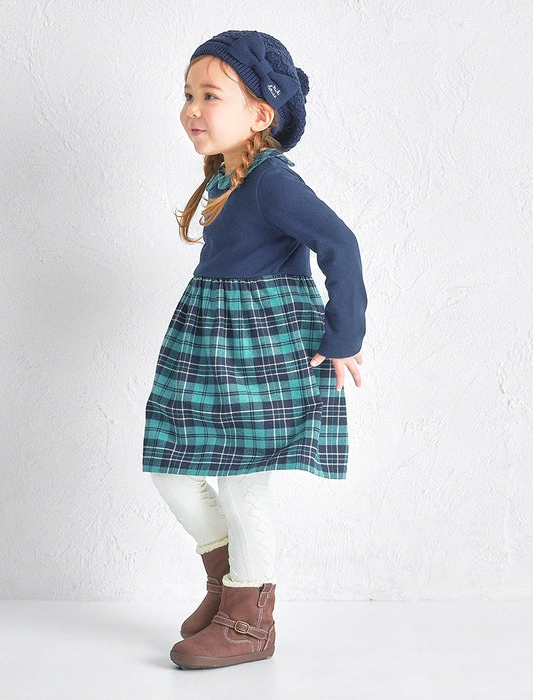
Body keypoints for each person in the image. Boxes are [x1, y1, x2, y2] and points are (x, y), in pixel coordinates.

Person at [142, 30, 367, 669]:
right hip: (211, 342)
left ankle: (248, 621)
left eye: (210, 95)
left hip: (260, 347)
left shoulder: (272, 183)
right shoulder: (226, 176)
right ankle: (226, 584)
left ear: (261, 114)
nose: (192, 109)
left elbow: (340, 244)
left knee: (243, 485)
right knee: (170, 464)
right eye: (188, 94)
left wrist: (343, 334)